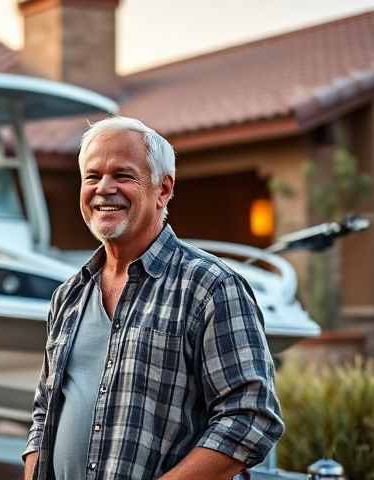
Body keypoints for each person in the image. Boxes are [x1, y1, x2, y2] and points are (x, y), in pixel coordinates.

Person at [22, 117, 284, 480]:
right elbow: (43, 412)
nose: (104, 188)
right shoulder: (68, 296)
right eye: (93, 176)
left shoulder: (211, 287)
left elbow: (250, 417)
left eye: (123, 175)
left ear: (163, 189)